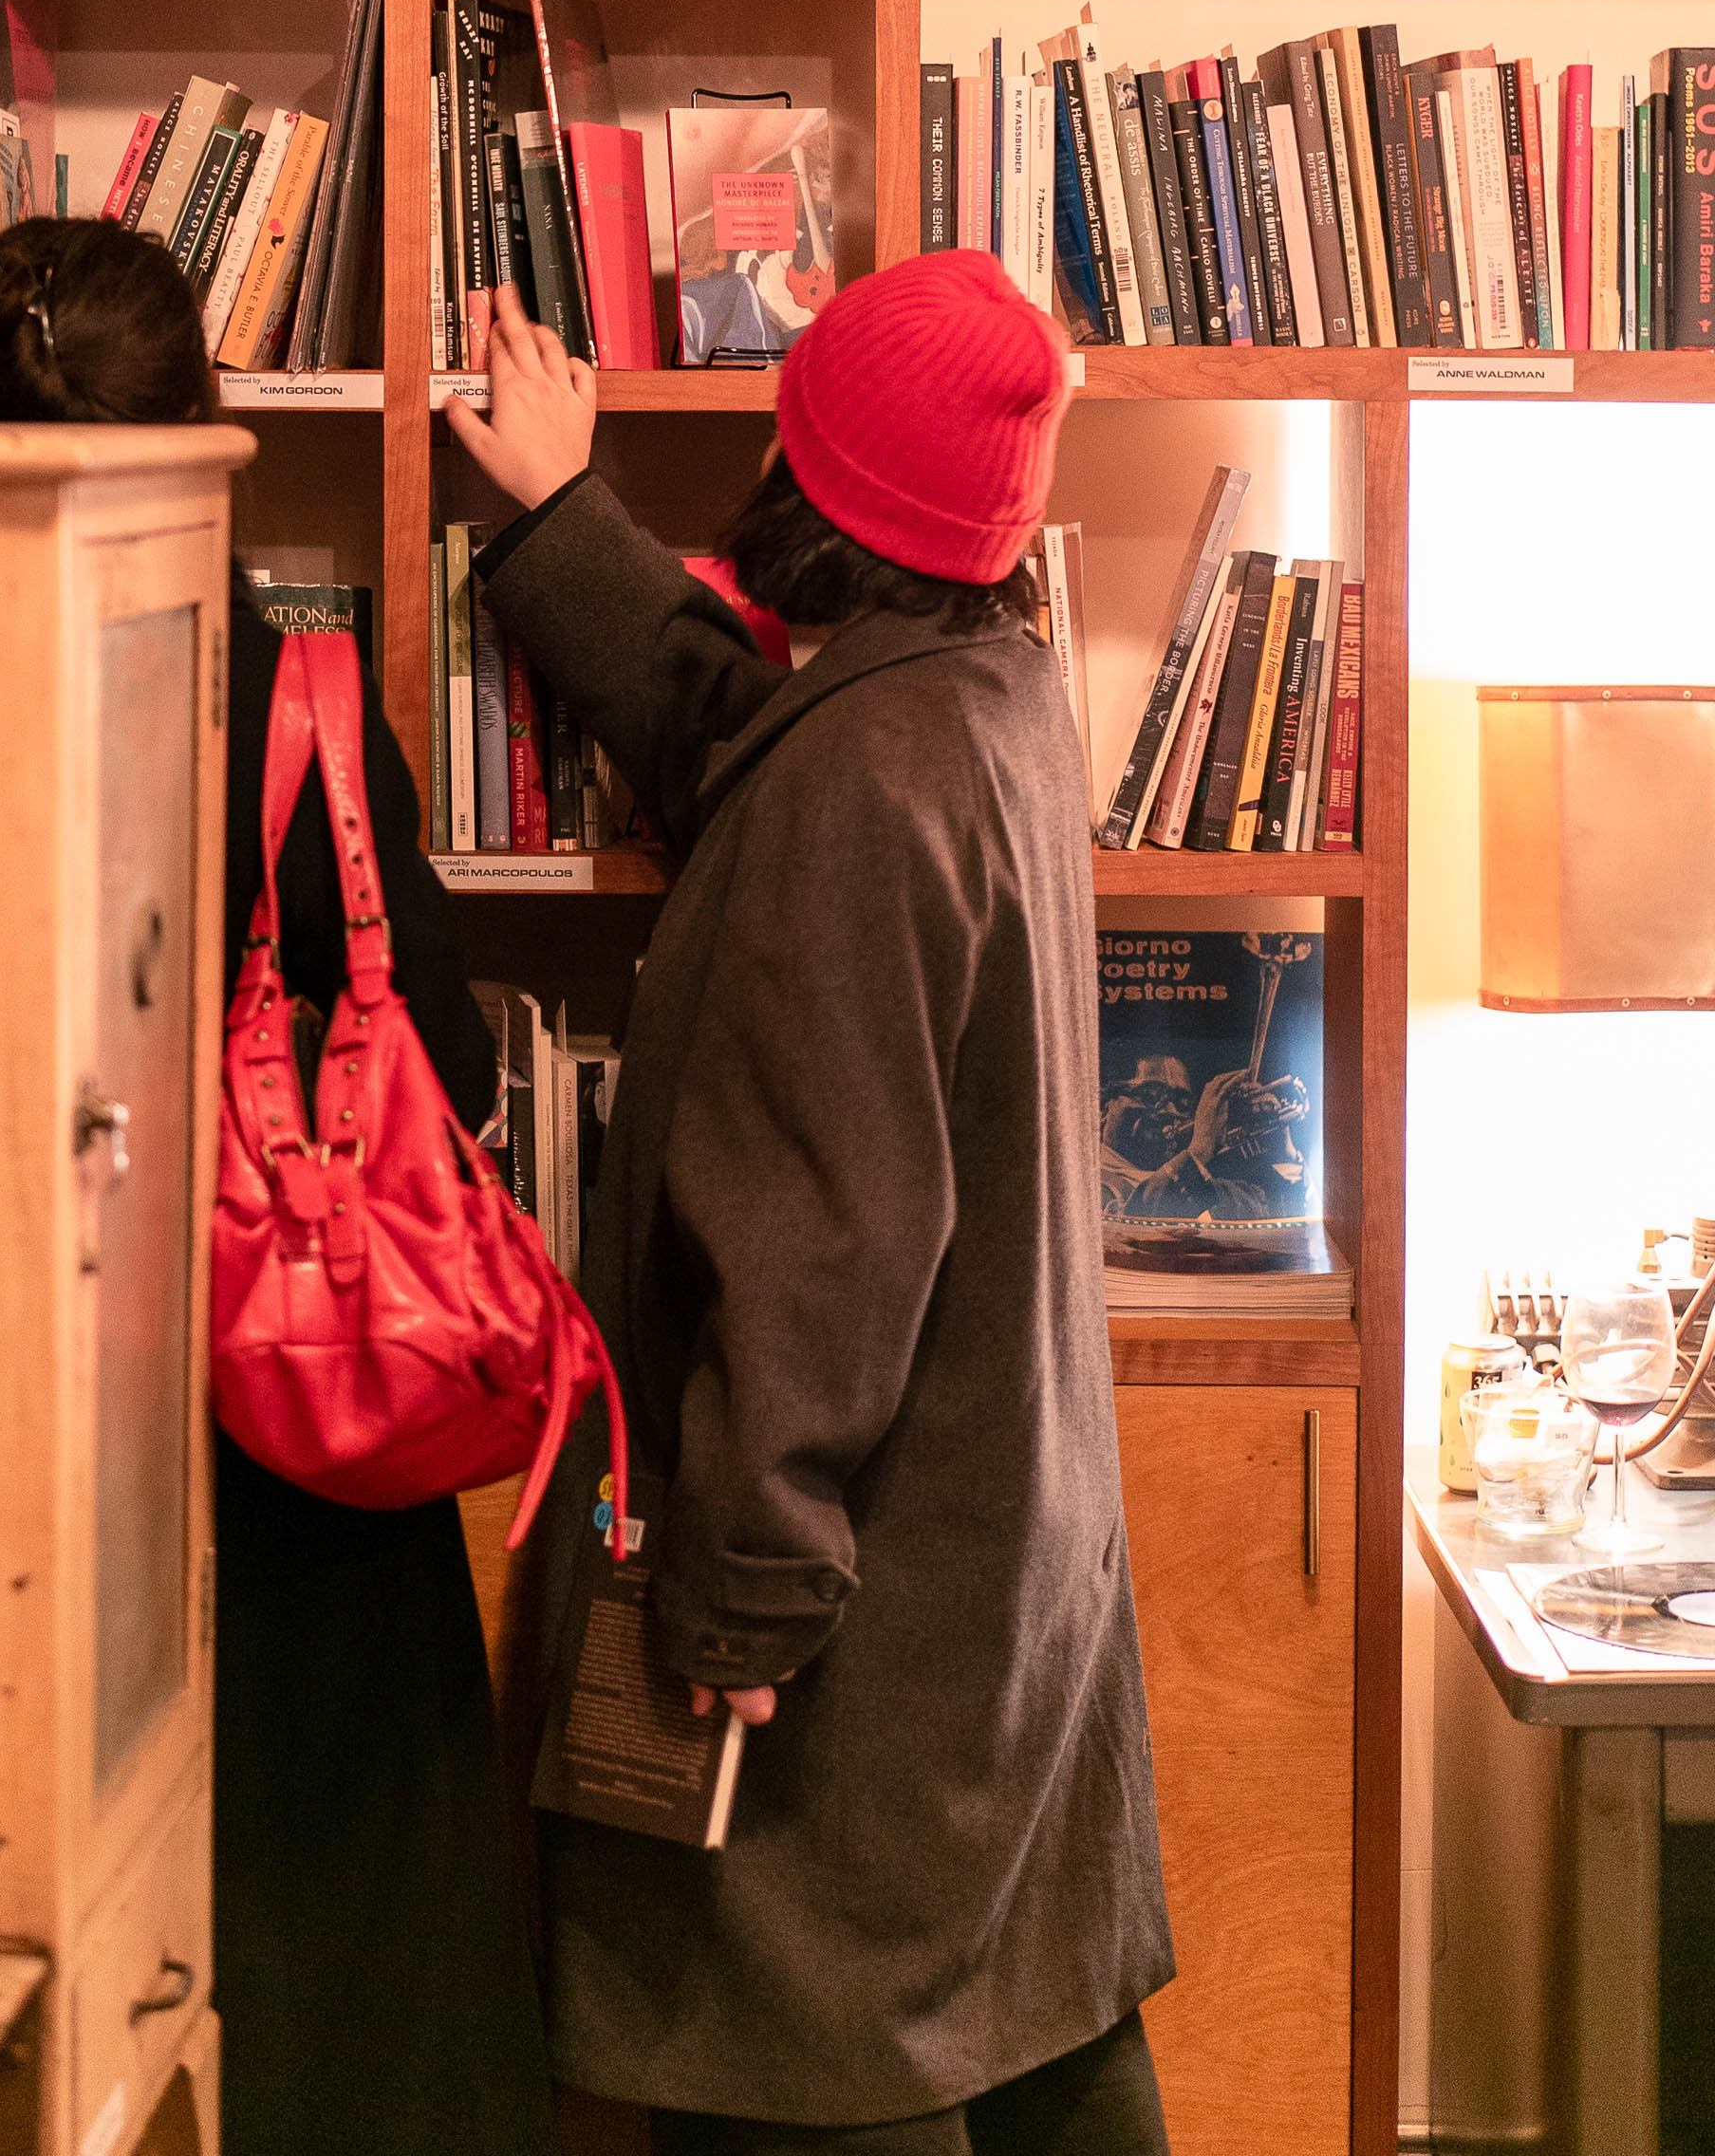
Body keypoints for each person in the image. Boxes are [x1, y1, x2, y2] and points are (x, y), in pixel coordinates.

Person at [446, 253, 1175, 2155]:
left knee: (819, 2078)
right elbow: (746, 745)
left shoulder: (859, 783)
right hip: (991, 1594)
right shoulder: (988, 701)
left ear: (808, 476)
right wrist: (567, 520)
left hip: (844, 1639)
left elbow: (819, 1249)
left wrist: (742, 1597)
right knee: (1030, 2038)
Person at [0, 219, 559, 2156]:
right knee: (346, 1999)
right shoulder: (295, 699)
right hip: (293, 1424)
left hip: (0, 1465)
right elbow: (435, 1062)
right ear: (205, 439)